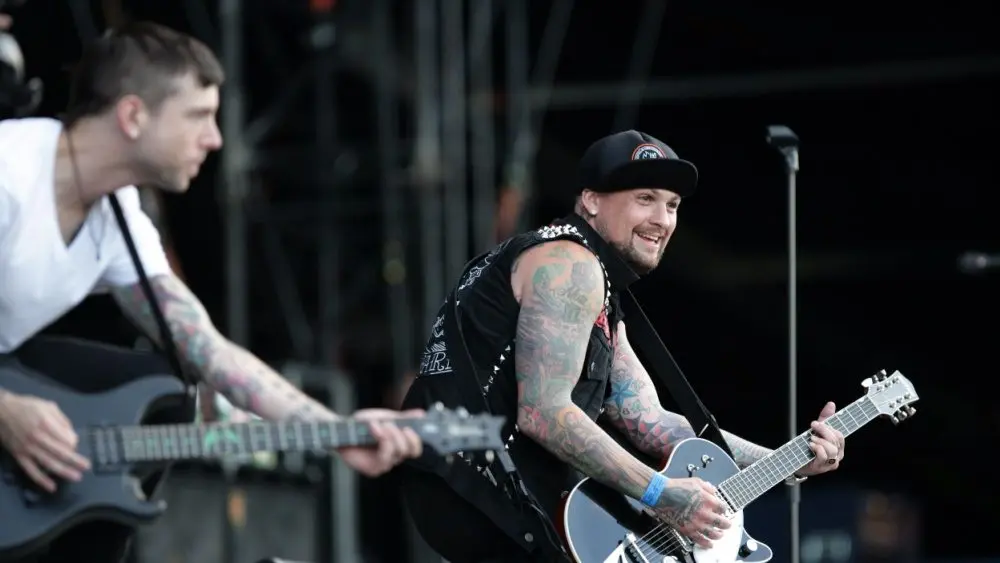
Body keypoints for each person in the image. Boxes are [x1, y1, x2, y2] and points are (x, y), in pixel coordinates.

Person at [0, 21, 422, 562]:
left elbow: (208, 350)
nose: (215, 138)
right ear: (133, 116)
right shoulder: (13, 173)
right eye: (199, 116)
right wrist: (8, 408)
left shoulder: (119, 217)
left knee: (160, 392)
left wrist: (335, 429)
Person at [399, 130, 847, 562]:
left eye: (671, 205)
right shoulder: (570, 265)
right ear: (591, 200)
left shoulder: (589, 285)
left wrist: (790, 460)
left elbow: (649, 421)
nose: (662, 220)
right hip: (483, 489)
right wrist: (661, 493)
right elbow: (544, 414)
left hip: (477, 492)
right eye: (644, 199)